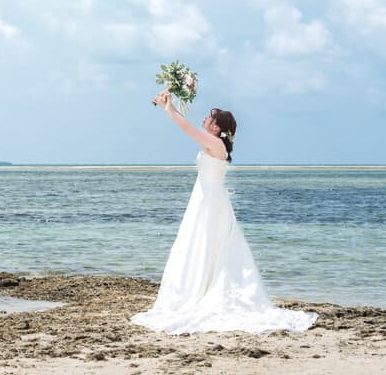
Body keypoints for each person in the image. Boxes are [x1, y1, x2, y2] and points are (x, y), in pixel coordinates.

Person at [129, 91, 316, 334]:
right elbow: (188, 126)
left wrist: (169, 109)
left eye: (209, 118)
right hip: (207, 200)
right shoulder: (215, 142)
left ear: (217, 128)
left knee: (206, 245)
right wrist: (168, 105)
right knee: (202, 247)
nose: (205, 119)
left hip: (210, 204)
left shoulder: (215, 144)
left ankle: (202, 292)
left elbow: (185, 127)